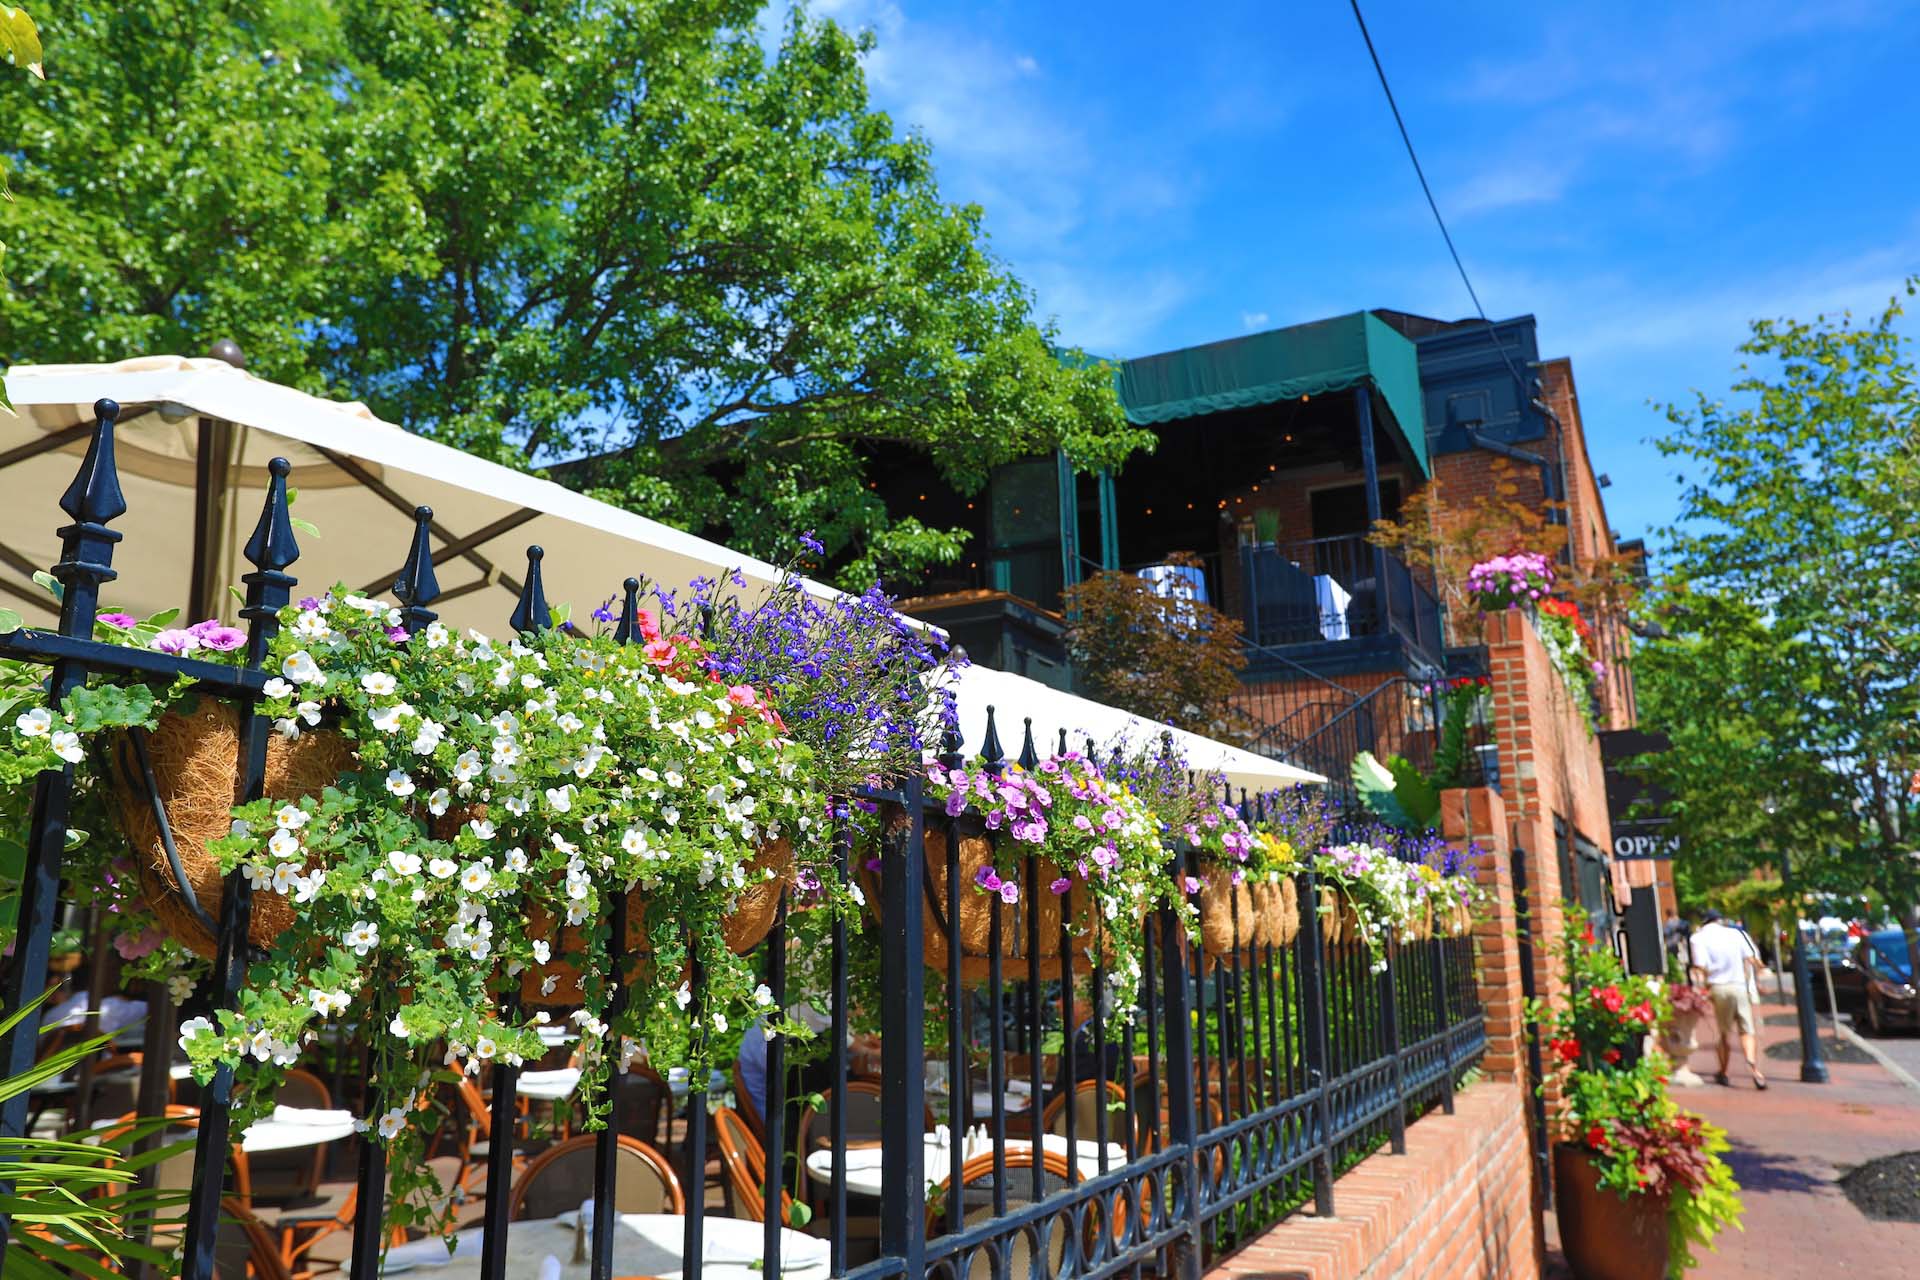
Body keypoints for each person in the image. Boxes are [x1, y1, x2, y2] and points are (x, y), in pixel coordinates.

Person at [1688, 908, 1767, 1089]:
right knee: (1747, 1030)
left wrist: (1701, 987)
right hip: (1739, 986)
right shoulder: (1736, 934)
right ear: (1719, 920)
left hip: (1718, 987)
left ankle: (1723, 1071)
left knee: (1724, 1033)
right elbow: (1752, 959)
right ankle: (1753, 1066)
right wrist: (1759, 977)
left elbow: (1700, 966)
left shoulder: (1698, 938)